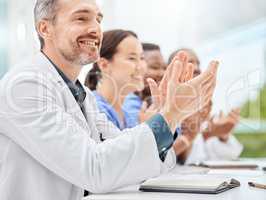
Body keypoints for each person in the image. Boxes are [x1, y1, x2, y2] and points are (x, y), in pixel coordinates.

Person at [0, 1, 218, 200]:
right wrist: (171, 114)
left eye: (98, 19)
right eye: (81, 18)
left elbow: (119, 154)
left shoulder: (81, 94)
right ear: (45, 29)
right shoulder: (24, 86)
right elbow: (94, 169)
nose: (95, 29)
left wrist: (168, 116)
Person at [168, 48, 243, 164]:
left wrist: (223, 136)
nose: (197, 68)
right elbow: (162, 158)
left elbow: (232, 153)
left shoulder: (203, 105)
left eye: (198, 63)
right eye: (190, 62)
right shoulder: (165, 106)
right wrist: (202, 134)